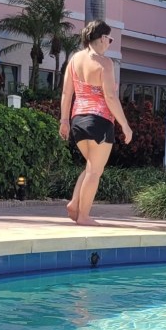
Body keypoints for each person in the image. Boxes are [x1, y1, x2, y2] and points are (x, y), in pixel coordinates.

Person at [59, 19, 133, 226]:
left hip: (77, 121)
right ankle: (83, 216)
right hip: (99, 121)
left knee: (91, 166)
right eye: (109, 39)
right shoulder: (104, 63)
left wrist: (64, 121)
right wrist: (125, 125)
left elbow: (66, 93)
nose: (109, 43)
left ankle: (75, 202)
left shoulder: (75, 59)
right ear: (101, 38)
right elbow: (110, 97)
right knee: (95, 171)